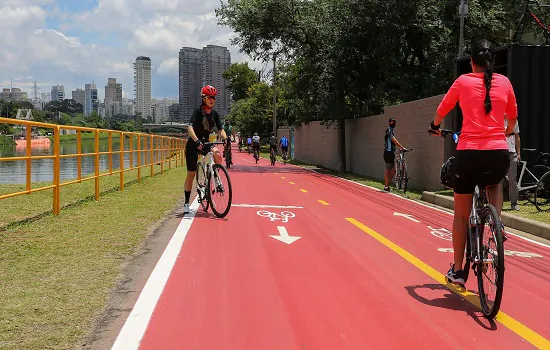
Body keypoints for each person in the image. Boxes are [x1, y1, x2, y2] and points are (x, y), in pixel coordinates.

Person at [429, 39, 517, 286]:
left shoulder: (462, 82)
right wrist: (507, 131)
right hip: (497, 153)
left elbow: (441, 111)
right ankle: (496, 223)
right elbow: (512, 117)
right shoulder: (505, 82)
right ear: (492, 62)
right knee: (495, 181)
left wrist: (434, 127)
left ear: (471, 62)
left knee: (461, 215)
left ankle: (458, 271)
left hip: (468, 154)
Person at [183, 85, 228, 214]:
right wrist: (196, 140)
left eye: (213, 98)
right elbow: (190, 128)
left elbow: (220, 129)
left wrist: (225, 138)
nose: (212, 100)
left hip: (206, 142)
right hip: (193, 144)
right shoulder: (197, 112)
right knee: (191, 174)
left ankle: (216, 175)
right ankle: (186, 203)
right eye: (209, 97)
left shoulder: (215, 114)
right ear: (203, 98)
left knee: (217, 154)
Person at [383, 118, 407, 192]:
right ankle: (386, 187)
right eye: (392, 122)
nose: (393, 124)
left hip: (391, 153)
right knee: (388, 170)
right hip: (388, 153)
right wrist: (402, 147)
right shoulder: (389, 130)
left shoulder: (391, 130)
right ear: (389, 123)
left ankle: (387, 185)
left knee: (394, 170)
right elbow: (394, 140)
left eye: (394, 122)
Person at [502, 117, 521, 210]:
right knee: (499, 179)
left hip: (512, 151)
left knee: (512, 179)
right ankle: (498, 202)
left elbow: (517, 137)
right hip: (500, 151)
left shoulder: (513, 120)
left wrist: (518, 153)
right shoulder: (496, 119)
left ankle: (514, 202)